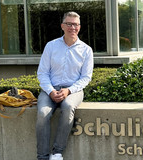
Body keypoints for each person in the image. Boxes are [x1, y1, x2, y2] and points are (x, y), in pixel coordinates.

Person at [36, 11, 93, 160]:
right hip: (50, 90)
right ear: (62, 26)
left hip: (74, 90)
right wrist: (50, 91)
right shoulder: (51, 46)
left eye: (75, 24)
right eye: (69, 24)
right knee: (42, 114)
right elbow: (42, 73)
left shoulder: (86, 50)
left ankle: (57, 152)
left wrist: (68, 90)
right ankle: (42, 156)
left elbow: (86, 78)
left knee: (68, 107)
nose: (72, 27)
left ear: (79, 27)